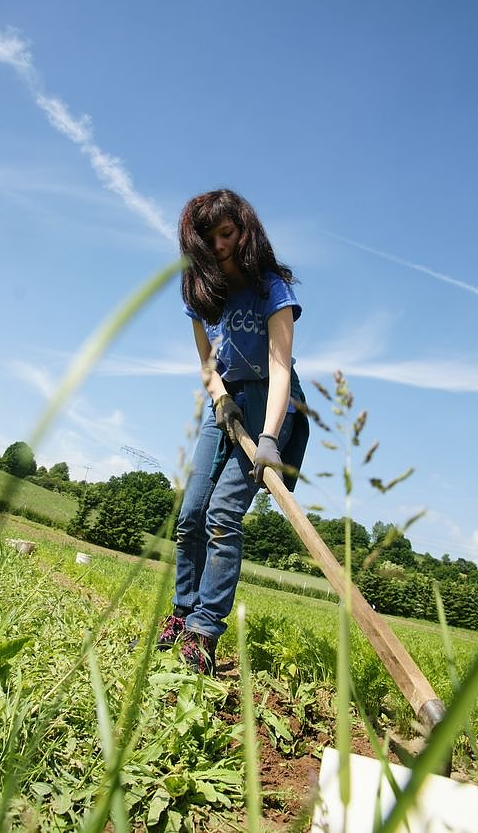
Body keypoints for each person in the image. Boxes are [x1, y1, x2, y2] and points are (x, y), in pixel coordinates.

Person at [158, 189, 309, 674]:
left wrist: (268, 437)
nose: (220, 244)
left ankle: (204, 633)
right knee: (191, 515)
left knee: (223, 515)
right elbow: (206, 361)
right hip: (223, 401)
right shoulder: (201, 296)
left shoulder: (271, 288)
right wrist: (220, 397)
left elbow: (281, 367)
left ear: (245, 232)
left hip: (271, 400)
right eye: (209, 237)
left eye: (228, 233)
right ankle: (182, 614)